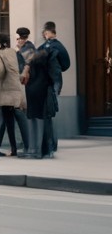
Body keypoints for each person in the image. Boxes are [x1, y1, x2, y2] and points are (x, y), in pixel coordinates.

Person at [38, 21, 70, 154]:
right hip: (55, 81)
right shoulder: (60, 46)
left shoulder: (48, 46)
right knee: (51, 114)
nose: (44, 35)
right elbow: (66, 64)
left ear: (48, 32)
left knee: (49, 114)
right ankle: (52, 144)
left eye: (45, 33)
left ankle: (51, 144)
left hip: (49, 82)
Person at [21, 46, 57, 159]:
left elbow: (23, 79)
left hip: (32, 92)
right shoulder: (43, 62)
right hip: (41, 92)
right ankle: (40, 150)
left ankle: (34, 149)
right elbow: (53, 77)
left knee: (33, 120)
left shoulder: (30, 65)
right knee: (41, 120)